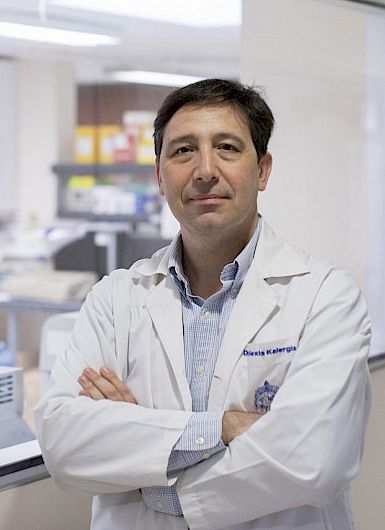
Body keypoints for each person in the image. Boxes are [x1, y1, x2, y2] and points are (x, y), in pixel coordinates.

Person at [35, 79, 371, 530]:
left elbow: (314, 459)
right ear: (159, 175)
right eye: (182, 151)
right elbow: (64, 443)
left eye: (228, 148)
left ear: (263, 170)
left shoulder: (326, 297)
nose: (205, 170)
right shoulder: (115, 299)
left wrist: (150, 471)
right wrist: (225, 428)